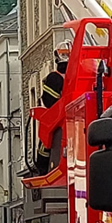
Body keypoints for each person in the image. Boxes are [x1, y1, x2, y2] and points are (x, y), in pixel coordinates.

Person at [33, 42, 71, 173]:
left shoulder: (54, 78)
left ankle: (43, 169)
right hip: (77, 120)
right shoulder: (82, 74)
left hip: (58, 122)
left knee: (44, 143)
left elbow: (48, 102)